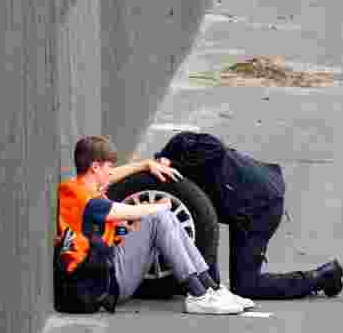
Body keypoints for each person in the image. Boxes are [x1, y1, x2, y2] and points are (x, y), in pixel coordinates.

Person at [55, 135, 252, 315]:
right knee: (159, 216)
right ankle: (199, 295)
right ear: (95, 168)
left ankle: (211, 288)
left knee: (160, 216)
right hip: (101, 283)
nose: (111, 172)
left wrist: (145, 165)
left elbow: (110, 196)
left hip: (103, 270)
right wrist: (158, 206)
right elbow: (129, 211)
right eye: (108, 167)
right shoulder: (87, 200)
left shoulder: (79, 188)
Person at [154, 131, 343, 300]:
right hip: (248, 194)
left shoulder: (191, 151)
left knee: (246, 286)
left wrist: (172, 160)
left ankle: (320, 277)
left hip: (262, 207)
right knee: (213, 279)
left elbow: (215, 145)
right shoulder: (184, 182)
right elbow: (205, 225)